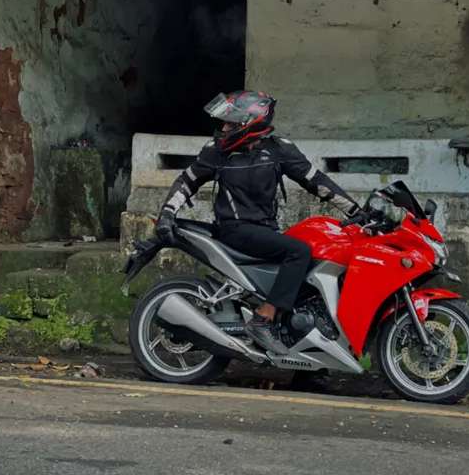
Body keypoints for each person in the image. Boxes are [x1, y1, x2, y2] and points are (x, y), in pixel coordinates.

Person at [154, 90, 361, 354]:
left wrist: (356, 212)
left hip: (265, 232)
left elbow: (318, 182)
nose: (224, 128)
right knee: (298, 251)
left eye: (230, 123)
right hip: (234, 230)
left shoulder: (279, 150)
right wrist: (167, 213)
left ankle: (308, 362)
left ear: (249, 123)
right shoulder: (216, 152)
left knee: (309, 279)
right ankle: (263, 319)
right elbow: (187, 182)